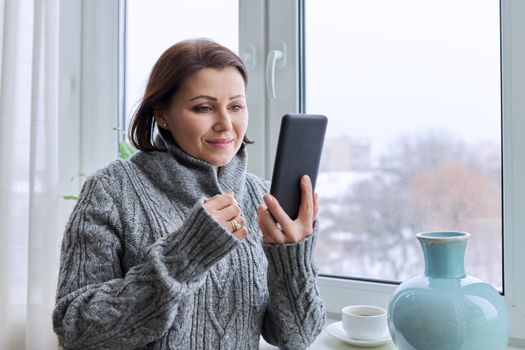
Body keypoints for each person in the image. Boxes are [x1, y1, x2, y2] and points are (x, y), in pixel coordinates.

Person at [52, 38, 326, 349]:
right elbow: (75, 328)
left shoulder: (264, 199)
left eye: (235, 106)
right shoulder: (111, 191)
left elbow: (297, 336)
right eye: (203, 107)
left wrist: (292, 257)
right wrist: (186, 254)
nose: (225, 124)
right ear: (162, 114)